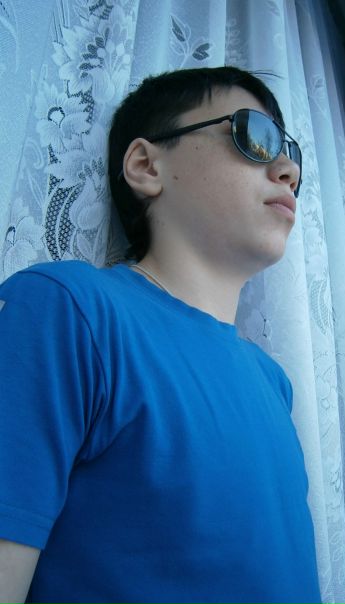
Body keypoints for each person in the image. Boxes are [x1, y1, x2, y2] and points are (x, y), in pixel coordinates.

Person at [0, 66, 321, 604]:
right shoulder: (67, 310)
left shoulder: (274, 381)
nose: (287, 170)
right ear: (147, 166)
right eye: (256, 136)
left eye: (291, 154)